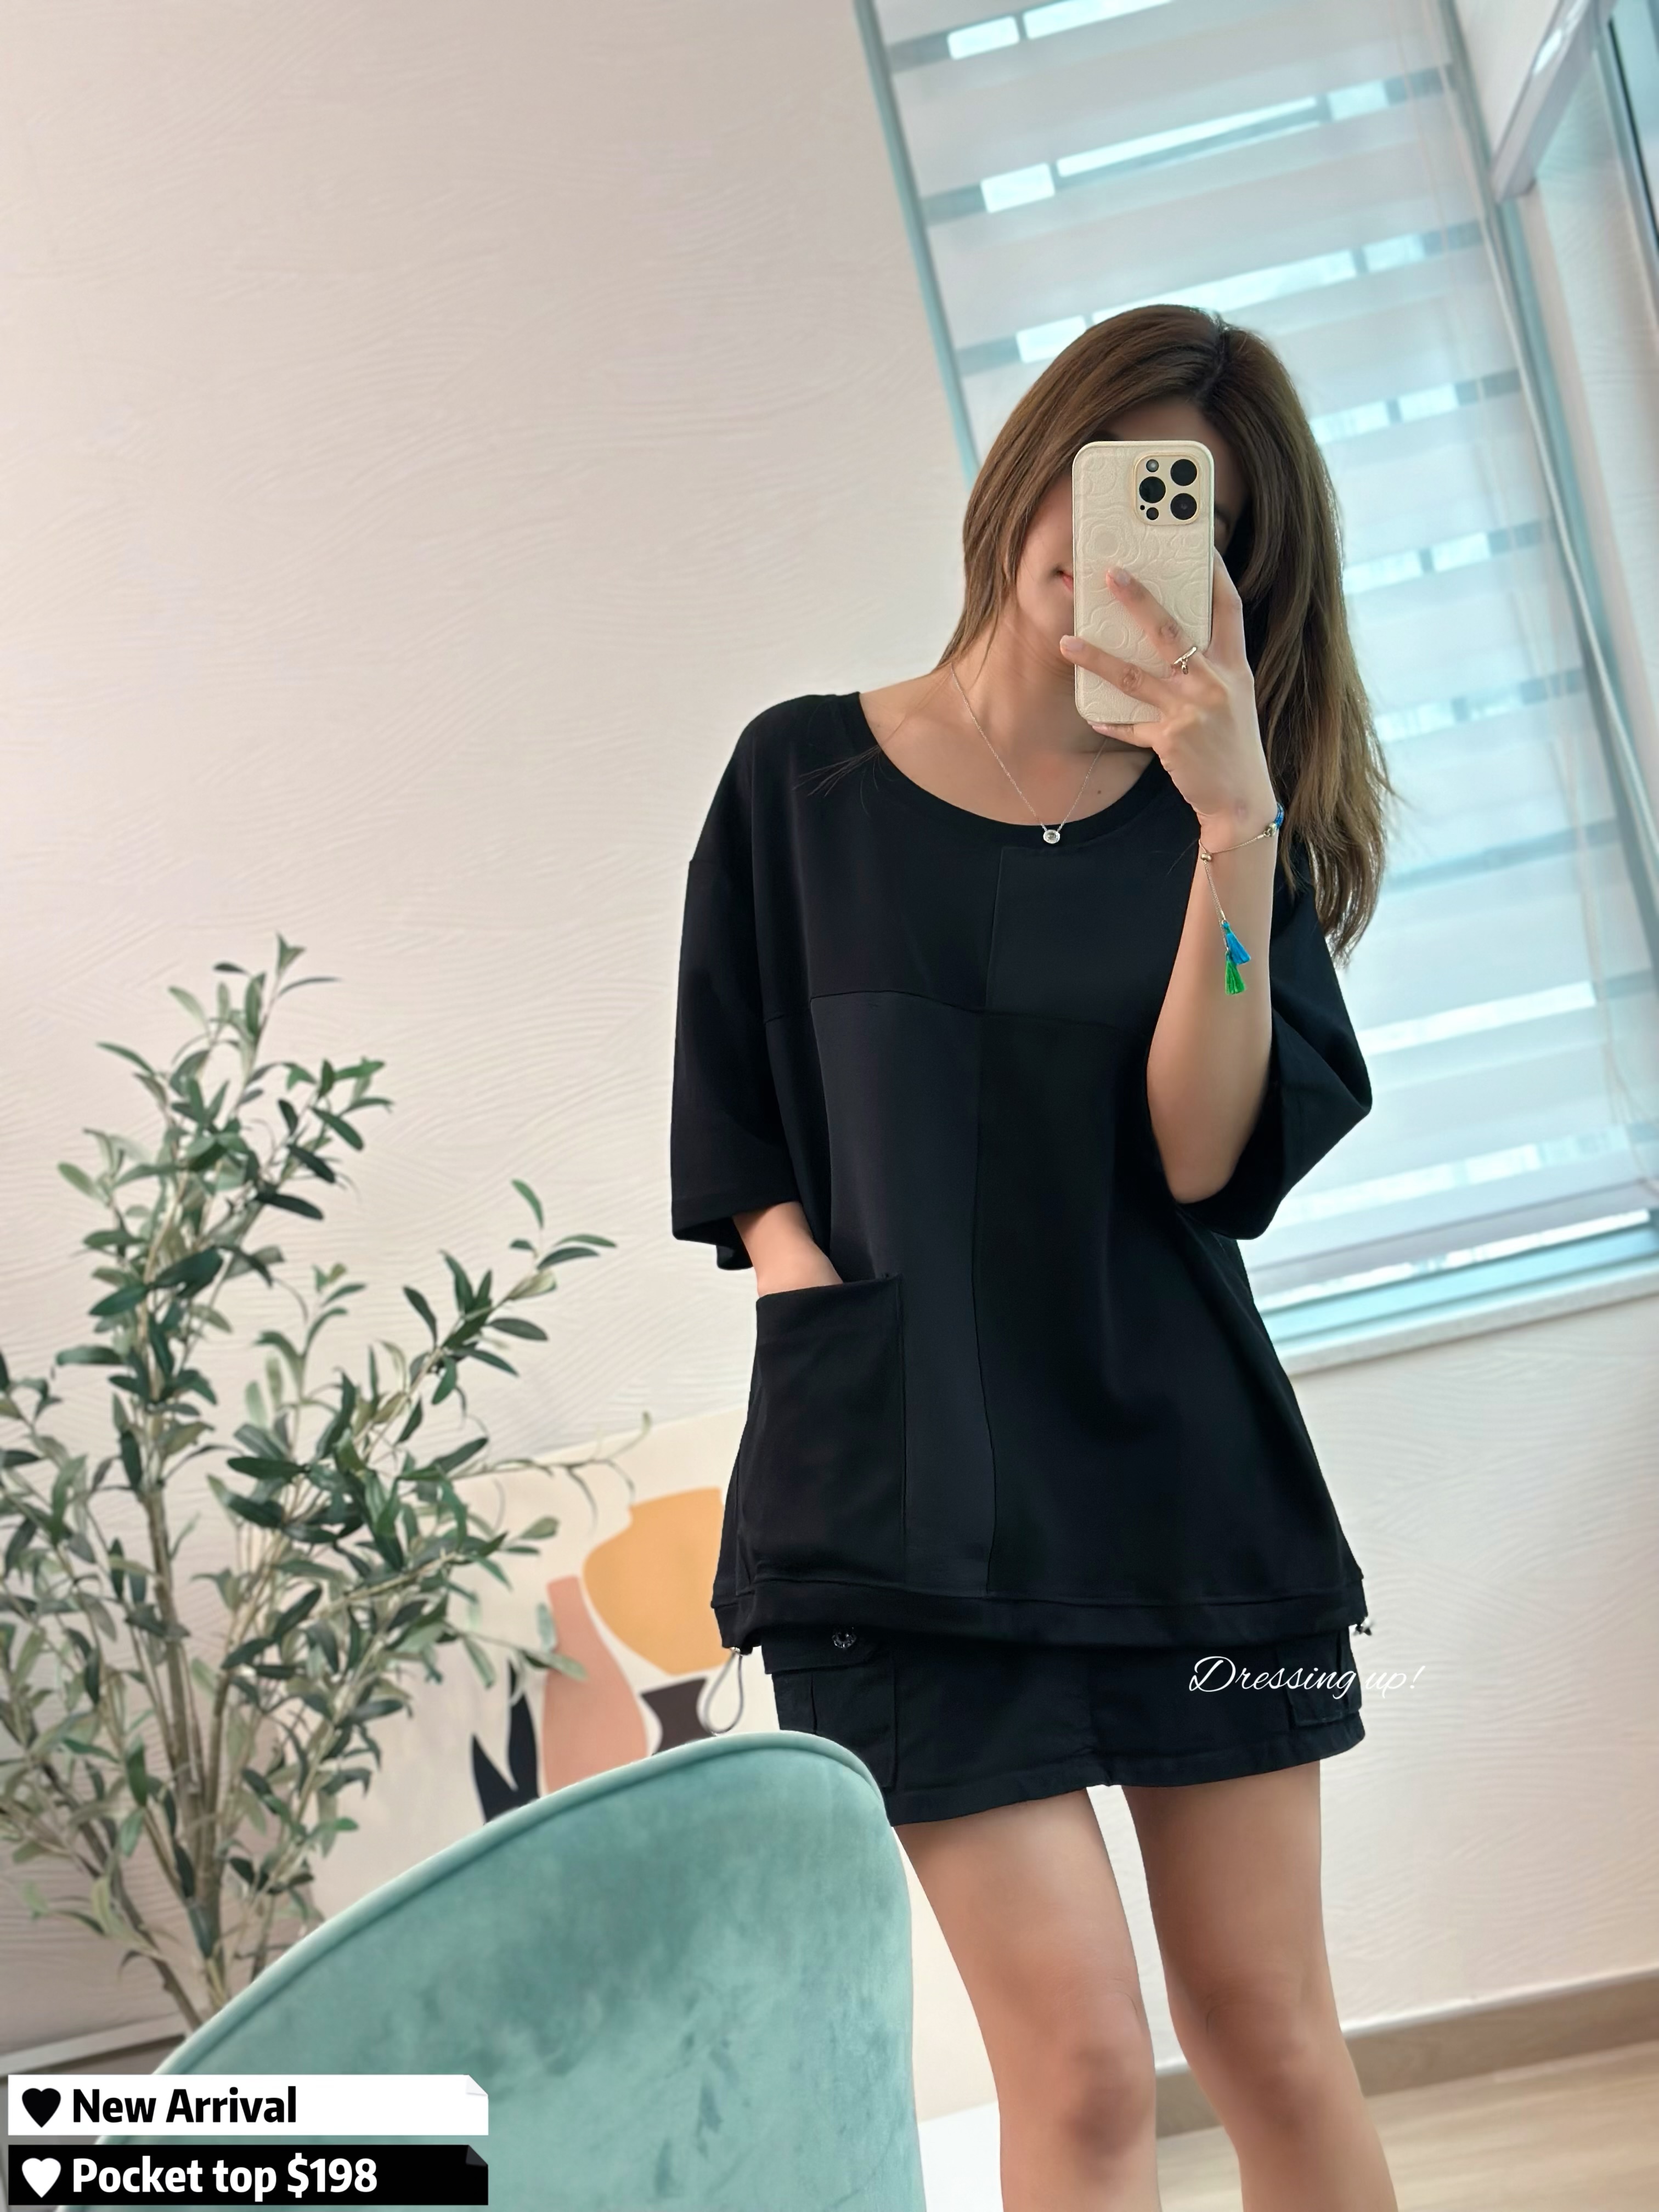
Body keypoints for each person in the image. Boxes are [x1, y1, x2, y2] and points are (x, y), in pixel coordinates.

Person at [669, 304, 1400, 2211]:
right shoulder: (801, 784)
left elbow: (1204, 1151)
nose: (1125, 535)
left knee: (1271, 2034)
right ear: (1033, 469)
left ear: (1234, 576)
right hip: (903, 1508)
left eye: (1190, 514)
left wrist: (1231, 827)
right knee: (1074, 2073)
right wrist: (805, 1284)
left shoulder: (1215, 829)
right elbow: (739, 1124)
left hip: (1183, 1495)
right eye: (1117, 474)